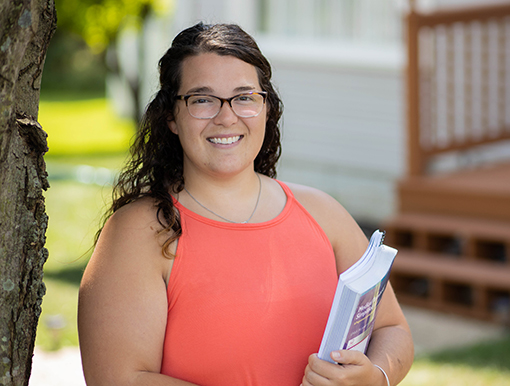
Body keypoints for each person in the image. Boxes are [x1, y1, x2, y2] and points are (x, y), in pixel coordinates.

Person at [78, 22, 414, 386]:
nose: (227, 116)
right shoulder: (139, 233)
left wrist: (376, 377)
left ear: (266, 108)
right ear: (172, 116)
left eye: (244, 97)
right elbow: (119, 379)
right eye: (202, 99)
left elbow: (392, 327)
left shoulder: (324, 214)